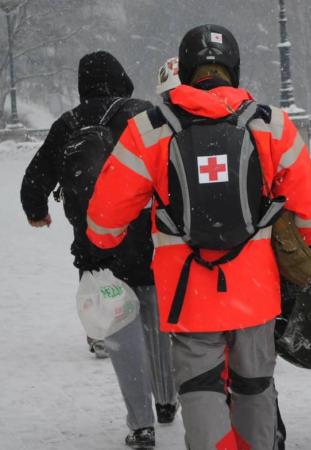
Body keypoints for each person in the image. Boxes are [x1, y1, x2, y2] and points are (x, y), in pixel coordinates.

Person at [86, 25, 311, 450]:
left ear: (187, 69)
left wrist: (107, 241)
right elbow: (310, 215)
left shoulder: (150, 129)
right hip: (255, 292)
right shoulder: (272, 125)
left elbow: (104, 220)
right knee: (254, 385)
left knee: (200, 388)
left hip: (187, 294)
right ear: (233, 68)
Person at [20, 50, 178, 449]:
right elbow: (174, 165)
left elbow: (34, 180)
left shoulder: (66, 124)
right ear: (121, 77)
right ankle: (166, 401)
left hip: (97, 247)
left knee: (121, 330)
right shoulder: (143, 114)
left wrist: (37, 211)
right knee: (155, 318)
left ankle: (141, 425)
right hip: (147, 237)